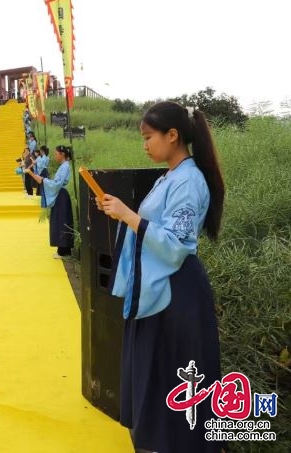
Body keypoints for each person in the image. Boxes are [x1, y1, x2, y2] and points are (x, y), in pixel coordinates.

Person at [96, 102, 225, 453]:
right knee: (160, 370)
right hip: (160, 287)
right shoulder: (170, 176)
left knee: (174, 372)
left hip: (175, 290)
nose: (145, 144)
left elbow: (175, 246)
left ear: (173, 135)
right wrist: (120, 212)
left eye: (148, 137)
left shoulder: (189, 180)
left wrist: (127, 215)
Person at [25, 145, 73, 258]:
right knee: (61, 220)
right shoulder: (64, 166)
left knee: (61, 220)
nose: (55, 156)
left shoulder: (65, 166)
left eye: (56, 154)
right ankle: (64, 249)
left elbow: (57, 184)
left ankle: (63, 251)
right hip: (60, 194)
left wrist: (44, 180)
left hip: (61, 195)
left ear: (62, 154)